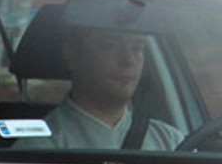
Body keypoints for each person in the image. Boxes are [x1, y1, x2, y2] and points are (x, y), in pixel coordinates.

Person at [43, 23, 183, 150]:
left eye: (137, 48)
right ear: (71, 56)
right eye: (109, 46)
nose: (128, 60)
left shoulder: (170, 140)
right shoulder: (43, 144)